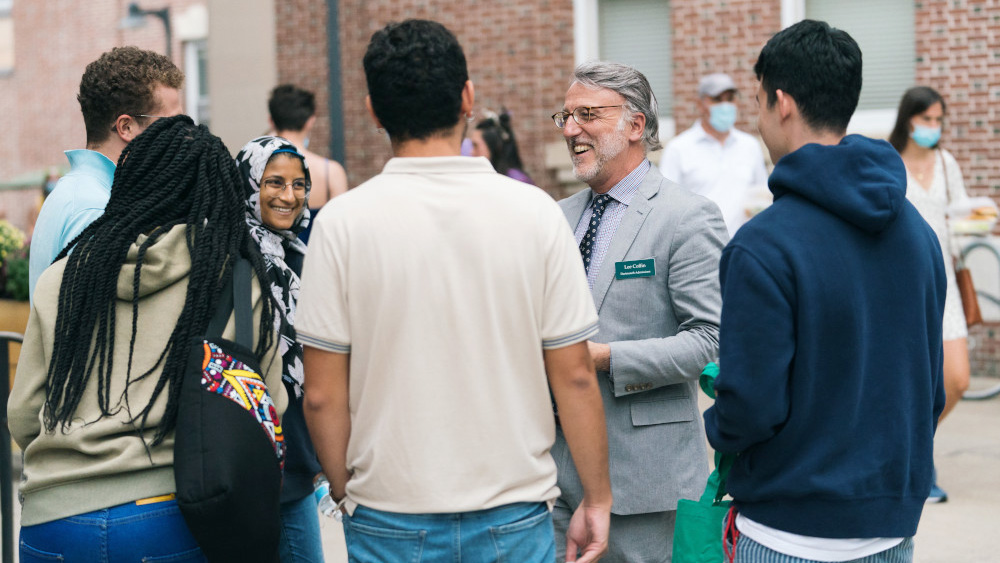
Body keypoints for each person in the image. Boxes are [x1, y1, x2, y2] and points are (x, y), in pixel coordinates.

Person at [297, 19, 611, 563]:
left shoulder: (341, 223)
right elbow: (576, 374)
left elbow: (321, 394)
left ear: (373, 109)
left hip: (388, 516)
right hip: (514, 514)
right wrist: (598, 497)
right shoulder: (533, 210)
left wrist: (349, 492)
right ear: (467, 97)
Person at [703, 20, 946, 562]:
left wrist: (714, 423)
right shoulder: (919, 234)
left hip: (786, 531)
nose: (757, 118)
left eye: (759, 102)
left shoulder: (761, 245)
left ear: (781, 102)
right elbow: (931, 388)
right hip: (891, 529)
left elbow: (750, 407)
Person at [9, 116, 286, 561]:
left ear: (130, 182)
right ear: (213, 192)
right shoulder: (233, 280)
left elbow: (23, 415)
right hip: (169, 518)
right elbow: (271, 403)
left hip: (52, 523)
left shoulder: (64, 277)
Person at [552, 61, 727, 562]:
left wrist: (604, 357)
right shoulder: (555, 217)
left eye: (587, 114)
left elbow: (712, 339)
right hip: (552, 479)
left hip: (645, 481)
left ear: (635, 125)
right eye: (564, 116)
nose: (570, 129)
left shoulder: (686, 216)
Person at [28, 46, 184, 302]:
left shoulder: (82, 193)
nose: (182, 134)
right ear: (126, 127)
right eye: (172, 123)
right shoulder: (94, 210)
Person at [235, 136, 325, 562]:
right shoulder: (237, 257)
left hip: (296, 457)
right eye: (274, 182)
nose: (289, 196)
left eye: (298, 184)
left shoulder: (298, 254)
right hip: (266, 463)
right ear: (249, 184)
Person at [890, 85, 971, 504]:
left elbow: (958, 214)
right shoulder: (890, 161)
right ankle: (916, 462)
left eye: (939, 120)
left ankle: (914, 444)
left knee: (957, 379)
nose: (933, 128)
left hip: (945, 284)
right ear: (909, 119)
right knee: (915, 380)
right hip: (904, 283)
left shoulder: (946, 162)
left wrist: (980, 218)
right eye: (927, 119)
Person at [659, 72, 769, 237]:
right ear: (700, 104)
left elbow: (760, 195)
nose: (725, 105)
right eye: (717, 99)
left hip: (743, 247)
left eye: (730, 99)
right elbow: (666, 206)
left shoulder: (749, 146)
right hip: (698, 250)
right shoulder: (678, 149)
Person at [268, 84, 348, 244]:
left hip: (269, 265)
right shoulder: (331, 172)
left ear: (271, 121)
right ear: (310, 121)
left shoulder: (258, 167)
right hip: (315, 262)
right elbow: (340, 231)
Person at [469, 109, 534, 184]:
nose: (471, 152)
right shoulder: (483, 179)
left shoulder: (517, 181)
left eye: (475, 145)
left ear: (494, 146)